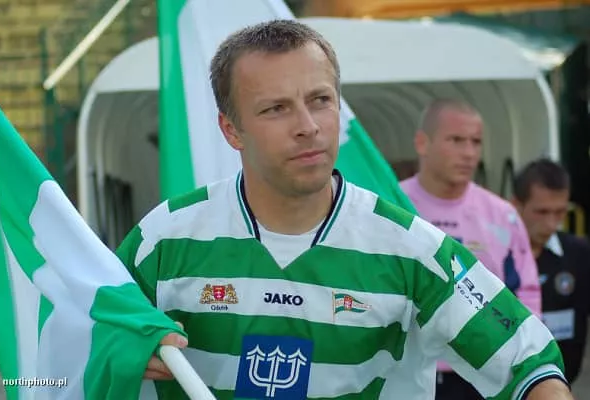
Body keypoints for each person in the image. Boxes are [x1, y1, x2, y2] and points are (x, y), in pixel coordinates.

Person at [116, 20, 571, 399]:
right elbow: (89, 338)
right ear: (231, 129)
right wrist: (121, 351)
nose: (308, 126)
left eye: (320, 101)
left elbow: (530, 368)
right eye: (276, 108)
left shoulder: (414, 250)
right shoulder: (162, 240)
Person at [399, 99, 543, 400]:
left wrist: (523, 361)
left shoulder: (502, 216)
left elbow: (525, 295)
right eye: (456, 140)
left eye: (475, 142)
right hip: (407, 373)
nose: (468, 153)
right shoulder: (391, 206)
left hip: (483, 376)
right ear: (422, 143)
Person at [512, 158, 590, 384]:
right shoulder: (495, 256)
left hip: (560, 386)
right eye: (542, 212)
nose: (551, 224)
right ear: (516, 205)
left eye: (560, 212)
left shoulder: (580, 254)